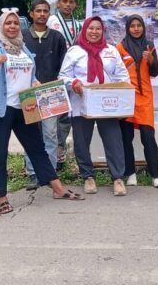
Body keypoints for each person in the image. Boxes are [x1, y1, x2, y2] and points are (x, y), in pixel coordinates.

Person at [0, 10, 83, 214]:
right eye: (8, 24)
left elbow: (29, 74)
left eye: (15, 23)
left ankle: (57, 189)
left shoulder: (23, 47)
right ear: (1, 27)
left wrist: (35, 82)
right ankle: (1, 197)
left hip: (25, 108)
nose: (13, 27)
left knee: (37, 148)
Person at [59, 16, 130, 196]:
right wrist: (73, 83)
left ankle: (118, 178)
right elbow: (63, 76)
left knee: (113, 140)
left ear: (102, 31)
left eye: (98, 29)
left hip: (107, 103)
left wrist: (122, 97)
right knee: (82, 141)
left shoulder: (111, 51)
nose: (94, 32)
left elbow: (122, 76)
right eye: (91, 28)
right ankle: (88, 177)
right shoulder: (74, 51)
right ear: (85, 30)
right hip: (81, 102)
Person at [22, 0, 67, 191]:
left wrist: (56, 84)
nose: (41, 14)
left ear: (49, 14)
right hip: (28, 93)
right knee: (31, 134)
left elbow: (63, 65)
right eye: (38, 11)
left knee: (50, 134)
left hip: (50, 92)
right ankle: (33, 173)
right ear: (31, 13)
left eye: (45, 11)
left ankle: (49, 173)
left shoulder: (57, 37)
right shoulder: (22, 36)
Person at [116, 14, 158, 188]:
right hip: (126, 98)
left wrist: (151, 60)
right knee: (126, 137)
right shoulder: (120, 48)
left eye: (139, 25)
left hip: (144, 98)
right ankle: (130, 174)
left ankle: (156, 175)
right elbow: (115, 72)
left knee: (148, 137)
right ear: (127, 28)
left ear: (143, 27)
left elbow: (155, 72)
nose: (136, 29)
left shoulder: (149, 46)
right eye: (132, 26)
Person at [47, 0, 83, 167]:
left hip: (72, 75)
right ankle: (49, 152)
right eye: (65, 1)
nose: (68, 4)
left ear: (75, 5)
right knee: (52, 114)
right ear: (58, 4)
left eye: (71, 2)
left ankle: (60, 151)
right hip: (53, 74)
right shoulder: (51, 22)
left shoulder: (79, 25)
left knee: (66, 116)